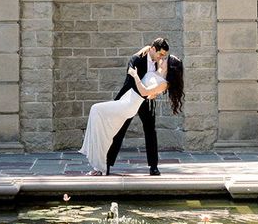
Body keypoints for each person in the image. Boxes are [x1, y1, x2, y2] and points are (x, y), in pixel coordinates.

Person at [79, 38, 185, 176]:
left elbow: (163, 81)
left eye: (164, 56)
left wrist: (153, 93)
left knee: (150, 131)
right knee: (119, 132)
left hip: (146, 102)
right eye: (160, 54)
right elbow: (129, 82)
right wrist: (141, 94)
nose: (162, 57)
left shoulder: (160, 63)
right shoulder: (137, 59)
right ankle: (107, 165)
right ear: (153, 49)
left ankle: (153, 167)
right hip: (131, 98)